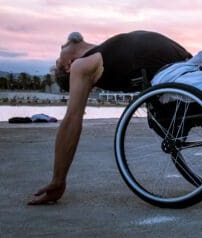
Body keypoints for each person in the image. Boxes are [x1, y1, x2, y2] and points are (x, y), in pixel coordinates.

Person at [28, 30, 192, 205]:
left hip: (178, 61)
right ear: (69, 65)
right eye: (57, 59)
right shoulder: (82, 65)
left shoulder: (102, 50)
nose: (61, 46)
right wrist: (58, 179)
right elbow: (71, 119)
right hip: (178, 60)